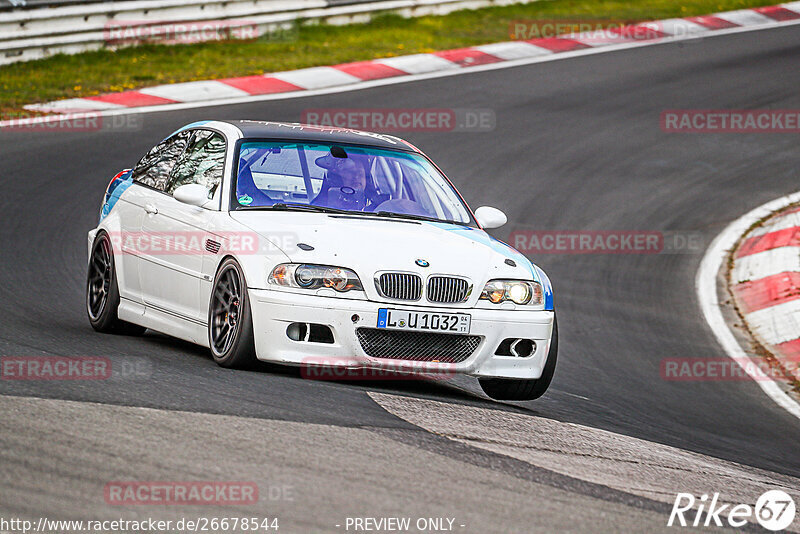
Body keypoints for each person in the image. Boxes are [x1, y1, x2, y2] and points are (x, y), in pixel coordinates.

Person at [312, 150, 383, 211]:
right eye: (350, 172)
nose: (356, 176)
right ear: (337, 178)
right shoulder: (317, 208)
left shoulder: (379, 209)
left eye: (360, 173)